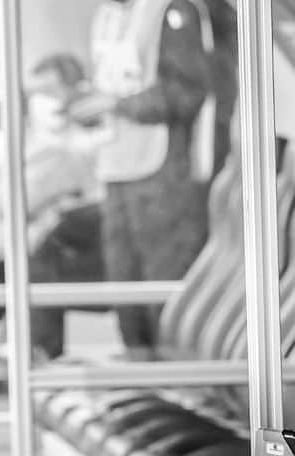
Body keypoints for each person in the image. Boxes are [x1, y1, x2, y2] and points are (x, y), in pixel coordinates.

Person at [70, 0, 217, 354]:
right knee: (125, 282)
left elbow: (187, 93)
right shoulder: (107, 15)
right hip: (117, 169)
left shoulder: (172, 10)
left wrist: (115, 105)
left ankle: (179, 382)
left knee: (164, 283)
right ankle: (142, 380)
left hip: (163, 172)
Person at [0, 53, 101, 358]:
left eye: (52, 92)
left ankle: (38, 362)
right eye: (39, 94)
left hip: (36, 264)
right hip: (4, 259)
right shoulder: (35, 146)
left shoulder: (70, 150)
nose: (45, 102)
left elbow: (14, 200)